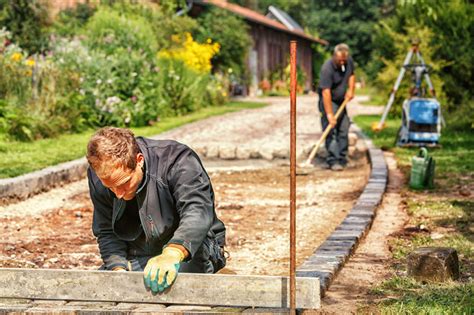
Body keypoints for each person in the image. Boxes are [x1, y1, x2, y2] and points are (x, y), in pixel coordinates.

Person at [86, 127, 226, 294]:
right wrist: (118, 269)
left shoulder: (178, 160)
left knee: (181, 294)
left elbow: (198, 212)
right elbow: (107, 230)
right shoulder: (99, 175)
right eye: (110, 187)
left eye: (124, 183)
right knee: (99, 292)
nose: (119, 194)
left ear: (139, 161)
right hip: (139, 253)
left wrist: (172, 253)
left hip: (192, 249)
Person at [317, 43, 356, 171]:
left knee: (344, 128)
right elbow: (325, 92)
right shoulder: (327, 69)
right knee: (331, 130)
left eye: (344, 60)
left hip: (341, 101)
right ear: (334, 56)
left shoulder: (347, 61)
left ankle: (342, 158)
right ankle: (333, 160)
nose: (342, 63)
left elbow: (351, 75)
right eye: (340, 60)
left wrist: (351, 89)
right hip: (329, 101)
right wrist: (329, 114)